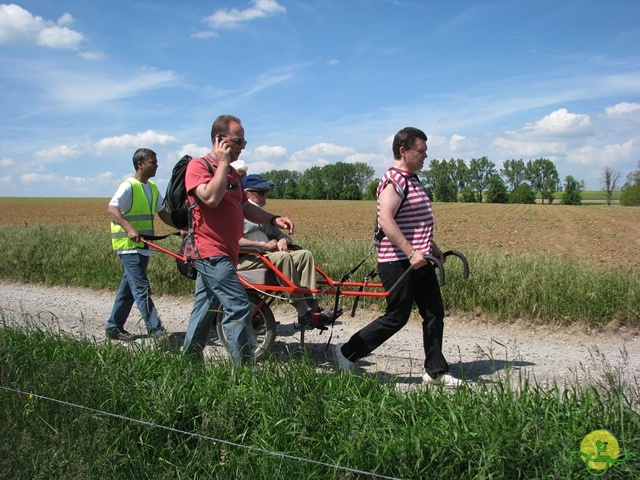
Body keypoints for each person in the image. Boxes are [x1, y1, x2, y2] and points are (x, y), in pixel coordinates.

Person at [333, 127, 462, 387]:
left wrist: (432, 247)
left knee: (435, 312)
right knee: (396, 317)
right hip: (398, 262)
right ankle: (347, 353)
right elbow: (387, 221)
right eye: (421, 151)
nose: (425, 156)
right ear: (403, 151)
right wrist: (411, 252)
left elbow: (415, 223)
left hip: (420, 260)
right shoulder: (394, 180)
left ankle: (435, 371)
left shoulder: (413, 179)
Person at [181, 115, 294, 365]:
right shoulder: (199, 167)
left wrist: (273, 219)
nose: (243, 146)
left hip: (227, 252)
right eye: (238, 141)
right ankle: (245, 371)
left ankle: (188, 364)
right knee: (239, 306)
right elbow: (210, 198)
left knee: (204, 309)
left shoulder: (232, 174)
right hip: (209, 251)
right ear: (219, 140)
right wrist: (221, 164)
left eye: (244, 141)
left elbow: (244, 207)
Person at [237, 174, 334, 328]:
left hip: (266, 256)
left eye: (266, 191)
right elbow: (234, 241)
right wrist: (263, 246)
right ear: (247, 194)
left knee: (304, 255)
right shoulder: (238, 214)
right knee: (283, 257)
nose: (266, 195)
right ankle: (302, 311)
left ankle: (314, 307)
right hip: (247, 257)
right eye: (261, 192)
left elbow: (283, 236)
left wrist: (283, 240)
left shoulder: (261, 216)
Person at [106, 148, 174, 341]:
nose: (157, 166)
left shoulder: (151, 186)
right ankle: (157, 332)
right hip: (128, 246)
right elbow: (112, 209)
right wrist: (129, 228)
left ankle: (113, 327)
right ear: (140, 164)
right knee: (141, 287)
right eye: (153, 162)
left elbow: (163, 213)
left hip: (143, 246)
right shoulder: (129, 186)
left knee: (128, 289)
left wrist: (180, 228)